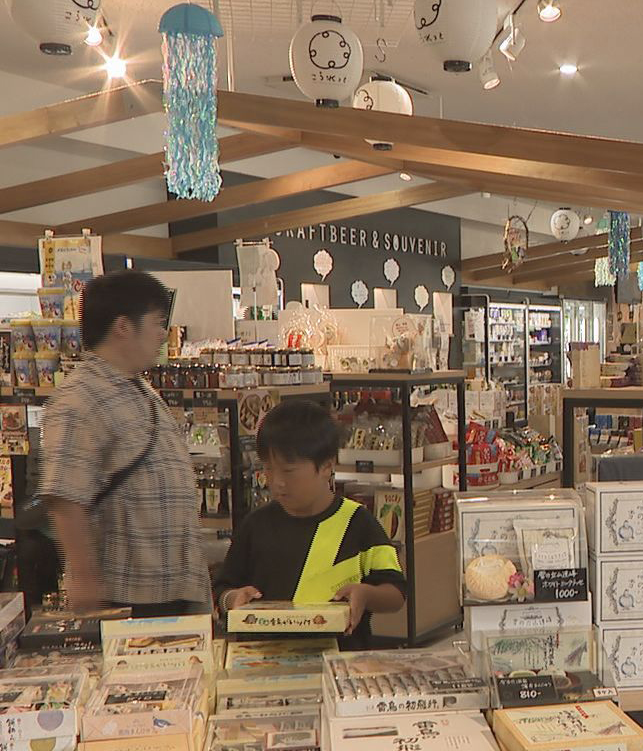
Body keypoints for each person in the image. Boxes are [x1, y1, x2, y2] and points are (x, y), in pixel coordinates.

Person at [39, 270, 207, 616]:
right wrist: (84, 579)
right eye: (157, 323)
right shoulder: (79, 398)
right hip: (127, 596)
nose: (163, 334)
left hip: (169, 588)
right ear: (123, 326)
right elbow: (66, 497)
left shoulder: (138, 387)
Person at [214, 400, 406, 645]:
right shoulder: (255, 525)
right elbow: (223, 588)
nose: (277, 482)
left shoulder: (357, 522)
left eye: (288, 471)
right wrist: (232, 599)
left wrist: (365, 594)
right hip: (262, 659)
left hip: (338, 656)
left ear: (326, 467)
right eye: (268, 469)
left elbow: (396, 593)